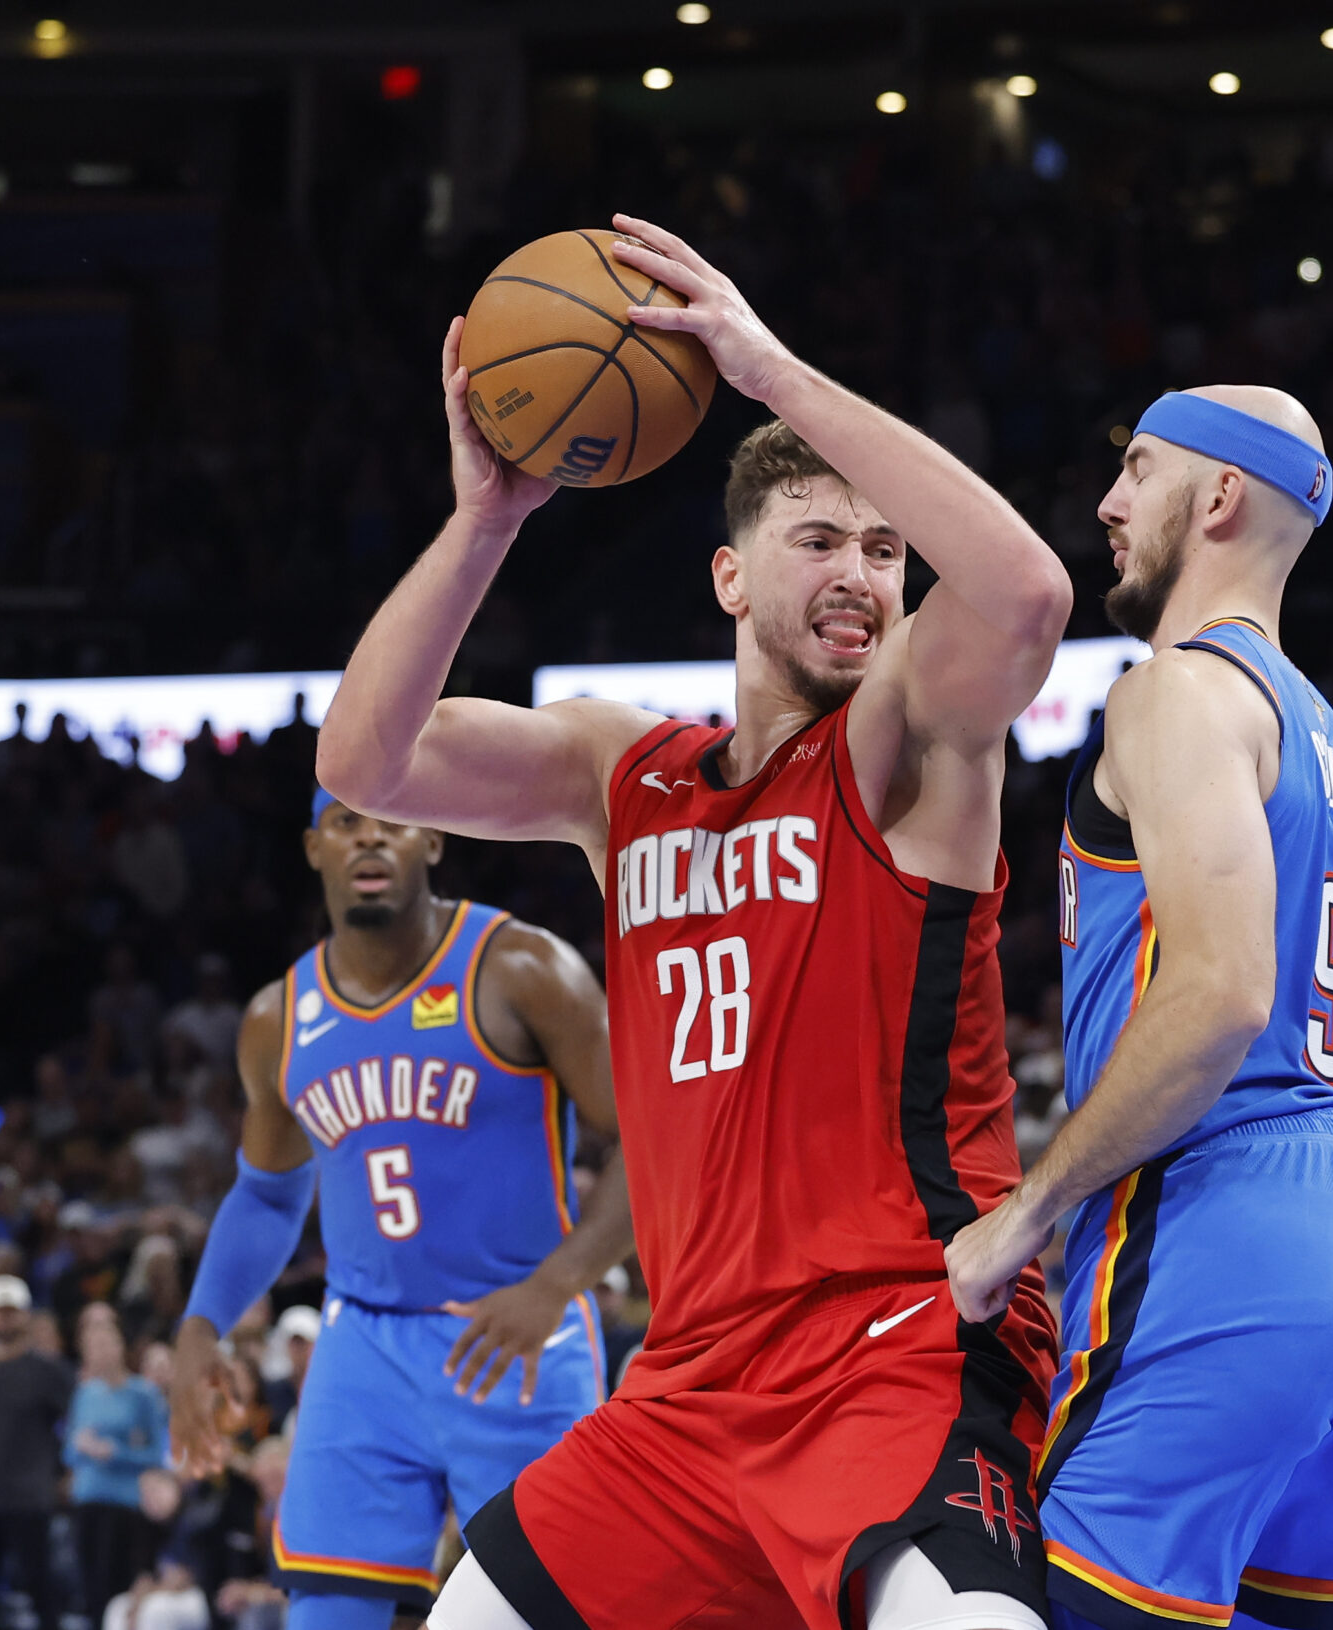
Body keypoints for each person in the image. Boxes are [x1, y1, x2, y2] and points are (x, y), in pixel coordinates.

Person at [334, 214, 1073, 1630]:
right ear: (732, 578)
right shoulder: (623, 774)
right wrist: (486, 522)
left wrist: (765, 366)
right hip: (685, 1392)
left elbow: (1031, 592)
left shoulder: (905, 745)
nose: (860, 574)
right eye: (818, 540)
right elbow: (366, 762)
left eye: (883, 549)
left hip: (896, 1341)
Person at [944, 384, 1333, 1630]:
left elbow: (1221, 992)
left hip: (1223, 1228)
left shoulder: (1175, 691)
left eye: (1141, 469)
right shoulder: (1326, 736)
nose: (1108, 504)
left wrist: (1024, 1215)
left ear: (1220, 495)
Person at [165, 790, 630, 1627]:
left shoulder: (521, 968)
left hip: (514, 1332)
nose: (370, 837)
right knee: (325, 1610)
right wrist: (201, 1327)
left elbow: (650, 1140)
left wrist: (558, 1284)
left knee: (551, 1608)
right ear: (315, 847)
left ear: (434, 840)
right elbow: (267, 1194)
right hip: (363, 1344)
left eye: (392, 818)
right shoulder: (278, 1018)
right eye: (346, 821)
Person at [0, 1275, 74, 1630]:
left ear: (26, 1315)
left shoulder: (49, 1369)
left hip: (30, 1496)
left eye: (12, 1312)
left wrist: (67, 1472)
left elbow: (75, 1420)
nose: (5, 1319)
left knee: (42, 1590)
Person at [68, 1316, 168, 1627]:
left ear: (120, 1346)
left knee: (115, 1590)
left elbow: (156, 1454)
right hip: (86, 1499)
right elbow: (69, 1451)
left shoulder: (143, 1394)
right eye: (91, 1346)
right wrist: (83, 1448)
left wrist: (115, 1452)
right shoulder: (85, 1393)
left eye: (104, 1344)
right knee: (88, 1590)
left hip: (124, 1504)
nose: (98, 1352)